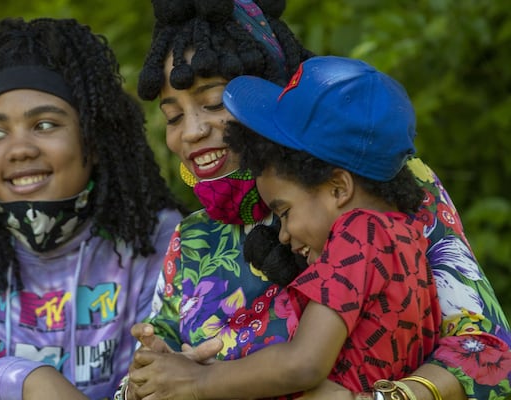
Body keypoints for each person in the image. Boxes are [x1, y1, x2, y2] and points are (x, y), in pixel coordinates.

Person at [119, 1, 511, 399]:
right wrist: (150, 378)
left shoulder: (382, 184)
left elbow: (486, 351)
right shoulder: (192, 239)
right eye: (172, 117)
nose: (191, 132)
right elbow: (150, 375)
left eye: (215, 103)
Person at [129, 55, 444, 399]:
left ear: (339, 187)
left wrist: (197, 383)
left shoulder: (358, 234)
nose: (282, 233)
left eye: (284, 212)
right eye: (173, 117)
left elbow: (303, 364)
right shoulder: (407, 234)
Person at [0, 17, 184, 400]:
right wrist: (28, 382)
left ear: (93, 137)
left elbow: (152, 377)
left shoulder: (154, 239)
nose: (19, 149)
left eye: (44, 125)